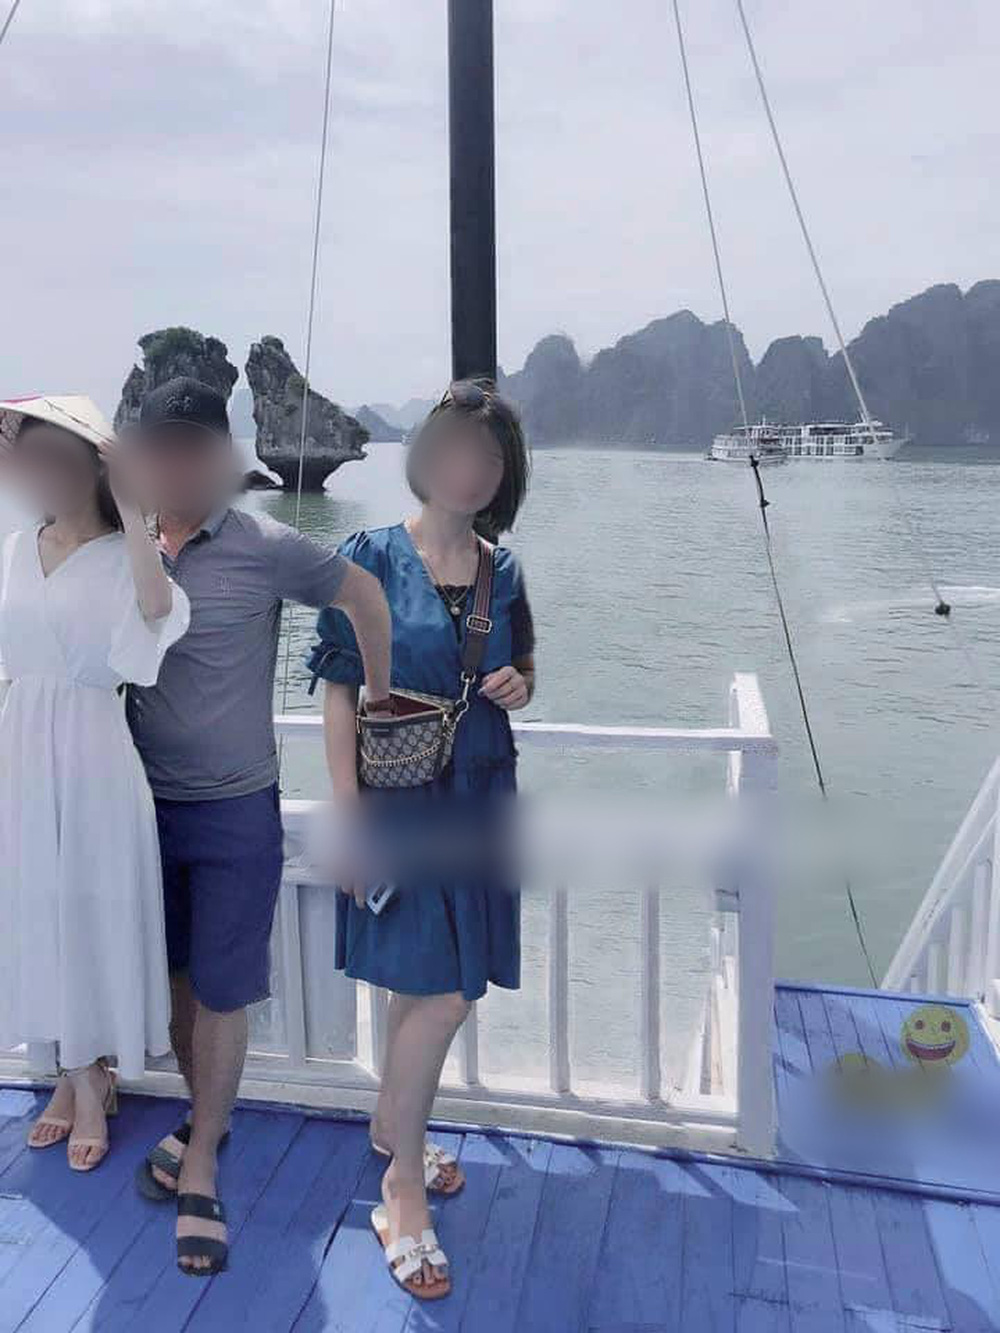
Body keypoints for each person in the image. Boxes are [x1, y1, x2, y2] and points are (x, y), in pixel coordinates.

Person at [124, 377, 393, 1277]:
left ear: (221, 455)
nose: (177, 464)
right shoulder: (125, 547)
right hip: (138, 807)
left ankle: (202, 1155)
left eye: (192, 447)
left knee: (224, 988)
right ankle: (208, 1113)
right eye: (160, 448)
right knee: (174, 979)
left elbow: (365, 594)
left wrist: (379, 701)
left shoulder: (265, 545)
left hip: (235, 807)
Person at [308, 379, 535, 1300]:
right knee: (442, 993)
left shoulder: (503, 571)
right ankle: (400, 1188)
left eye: (489, 460)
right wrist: (348, 816)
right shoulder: (364, 558)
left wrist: (520, 684)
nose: (470, 471)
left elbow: (522, 668)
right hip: (398, 804)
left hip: (478, 796)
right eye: (456, 451)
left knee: (428, 986)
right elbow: (336, 690)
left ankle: (391, 1125)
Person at [0, 395, 189, 1172]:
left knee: (86, 910)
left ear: (90, 468)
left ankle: (88, 1079)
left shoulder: (121, 555)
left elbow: (157, 610)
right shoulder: (14, 548)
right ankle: (74, 1071)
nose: (42, 474)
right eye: (30, 460)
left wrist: (135, 505)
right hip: (20, 752)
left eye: (58, 459)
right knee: (35, 909)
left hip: (93, 752)